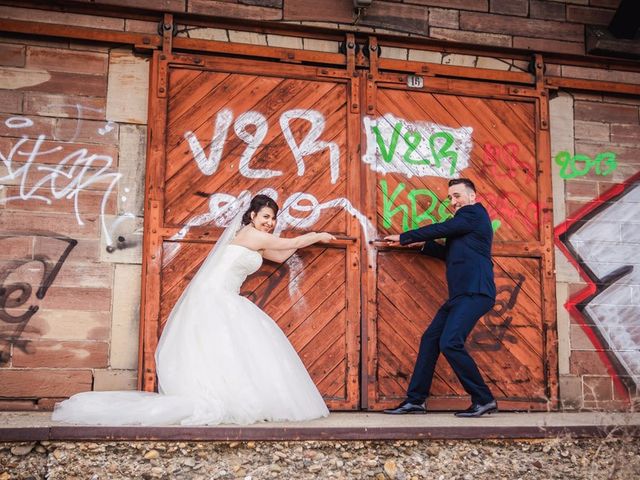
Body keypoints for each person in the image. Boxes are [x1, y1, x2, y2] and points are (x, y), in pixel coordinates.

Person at [52, 194, 333, 425]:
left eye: (273, 219)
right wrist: (317, 233)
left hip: (222, 295)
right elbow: (291, 243)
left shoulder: (256, 240)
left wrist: (312, 242)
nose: (270, 223)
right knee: (229, 345)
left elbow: (282, 253)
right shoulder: (252, 235)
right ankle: (227, 397)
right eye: (265, 217)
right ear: (252, 217)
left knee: (228, 348)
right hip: (216, 296)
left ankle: (231, 394)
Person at [382, 178, 497, 418]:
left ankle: (483, 399)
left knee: (450, 342)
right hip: (460, 295)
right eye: (450, 198)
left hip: (475, 292)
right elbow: (450, 253)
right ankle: (416, 400)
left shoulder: (474, 214)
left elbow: (441, 229)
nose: (453, 202)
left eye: (457, 196)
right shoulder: (465, 225)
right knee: (431, 340)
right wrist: (422, 246)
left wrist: (406, 237)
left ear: (473, 196)